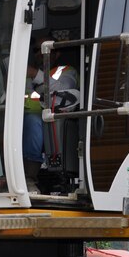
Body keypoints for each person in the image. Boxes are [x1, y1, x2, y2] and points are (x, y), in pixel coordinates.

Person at [23, 40, 80, 193]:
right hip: (17, 115)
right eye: (36, 50)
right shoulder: (22, 71)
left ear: (57, 53)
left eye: (45, 49)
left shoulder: (66, 70)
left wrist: (35, 75)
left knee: (32, 122)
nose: (40, 53)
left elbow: (64, 90)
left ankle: (29, 178)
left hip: (47, 119)